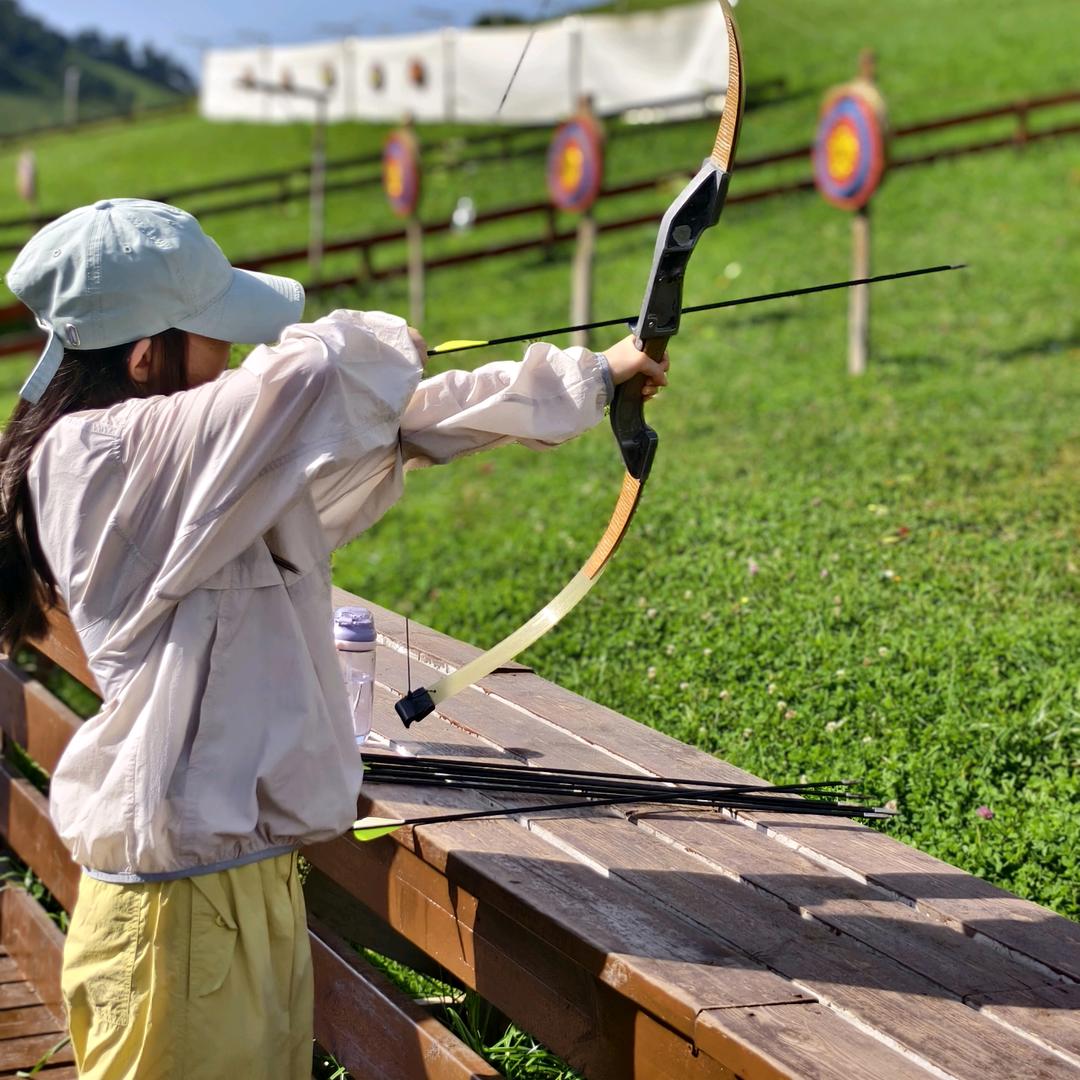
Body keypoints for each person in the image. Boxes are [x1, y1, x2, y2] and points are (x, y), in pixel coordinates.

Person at [0, 198, 668, 1079]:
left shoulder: (198, 475)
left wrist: (593, 377)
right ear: (142, 353)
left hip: (242, 887)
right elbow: (315, 381)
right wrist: (388, 340)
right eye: (213, 333)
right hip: (173, 926)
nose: (233, 353)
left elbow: (389, 426)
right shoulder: (99, 458)